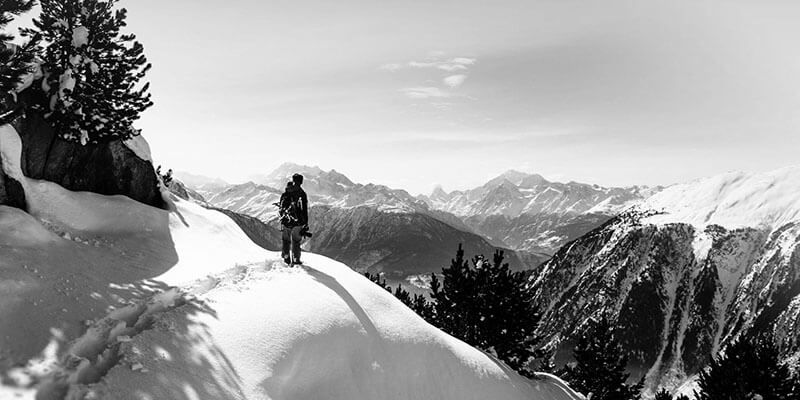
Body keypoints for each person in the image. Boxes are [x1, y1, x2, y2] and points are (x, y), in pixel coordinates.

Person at [278, 173, 309, 265]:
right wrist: (305, 222)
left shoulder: (286, 191)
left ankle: (286, 256)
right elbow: (304, 209)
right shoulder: (302, 193)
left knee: (286, 240)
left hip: (286, 220)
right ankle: (295, 258)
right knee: (296, 240)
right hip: (298, 221)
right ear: (301, 181)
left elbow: (281, 207)